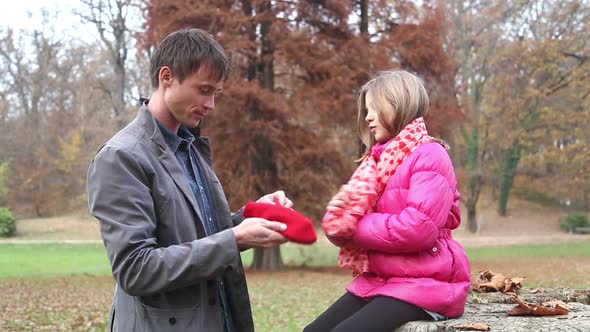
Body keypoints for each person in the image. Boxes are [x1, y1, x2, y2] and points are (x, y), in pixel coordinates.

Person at [87, 28, 291, 332]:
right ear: (166, 77)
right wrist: (234, 239)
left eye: (215, 94)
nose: (210, 105)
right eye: (203, 90)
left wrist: (249, 218)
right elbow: (135, 269)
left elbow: (202, 237)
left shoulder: (190, 146)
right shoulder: (121, 157)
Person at [304, 70, 471, 332]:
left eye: (375, 108)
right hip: (384, 280)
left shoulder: (430, 155)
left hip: (427, 283)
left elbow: (418, 229)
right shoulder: (375, 164)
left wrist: (355, 224)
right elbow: (340, 228)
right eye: (367, 110)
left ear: (399, 103)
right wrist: (337, 219)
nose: (368, 116)